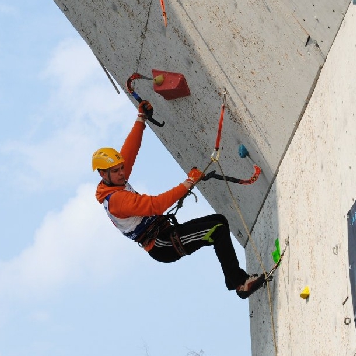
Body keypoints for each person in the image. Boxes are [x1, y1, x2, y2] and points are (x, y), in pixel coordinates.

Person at [92, 106, 266, 299]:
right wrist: (188, 183)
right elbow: (155, 206)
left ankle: (233, 279)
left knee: (220, 220)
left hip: (164, 234)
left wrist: (141, 119)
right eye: (116, 171)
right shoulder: (117, 199)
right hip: (162, 244)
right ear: (102, 173)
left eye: (121, 168)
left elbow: (130, 151)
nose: (122, 173)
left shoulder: (116, 182)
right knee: (217, 229)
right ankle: (240, 284)